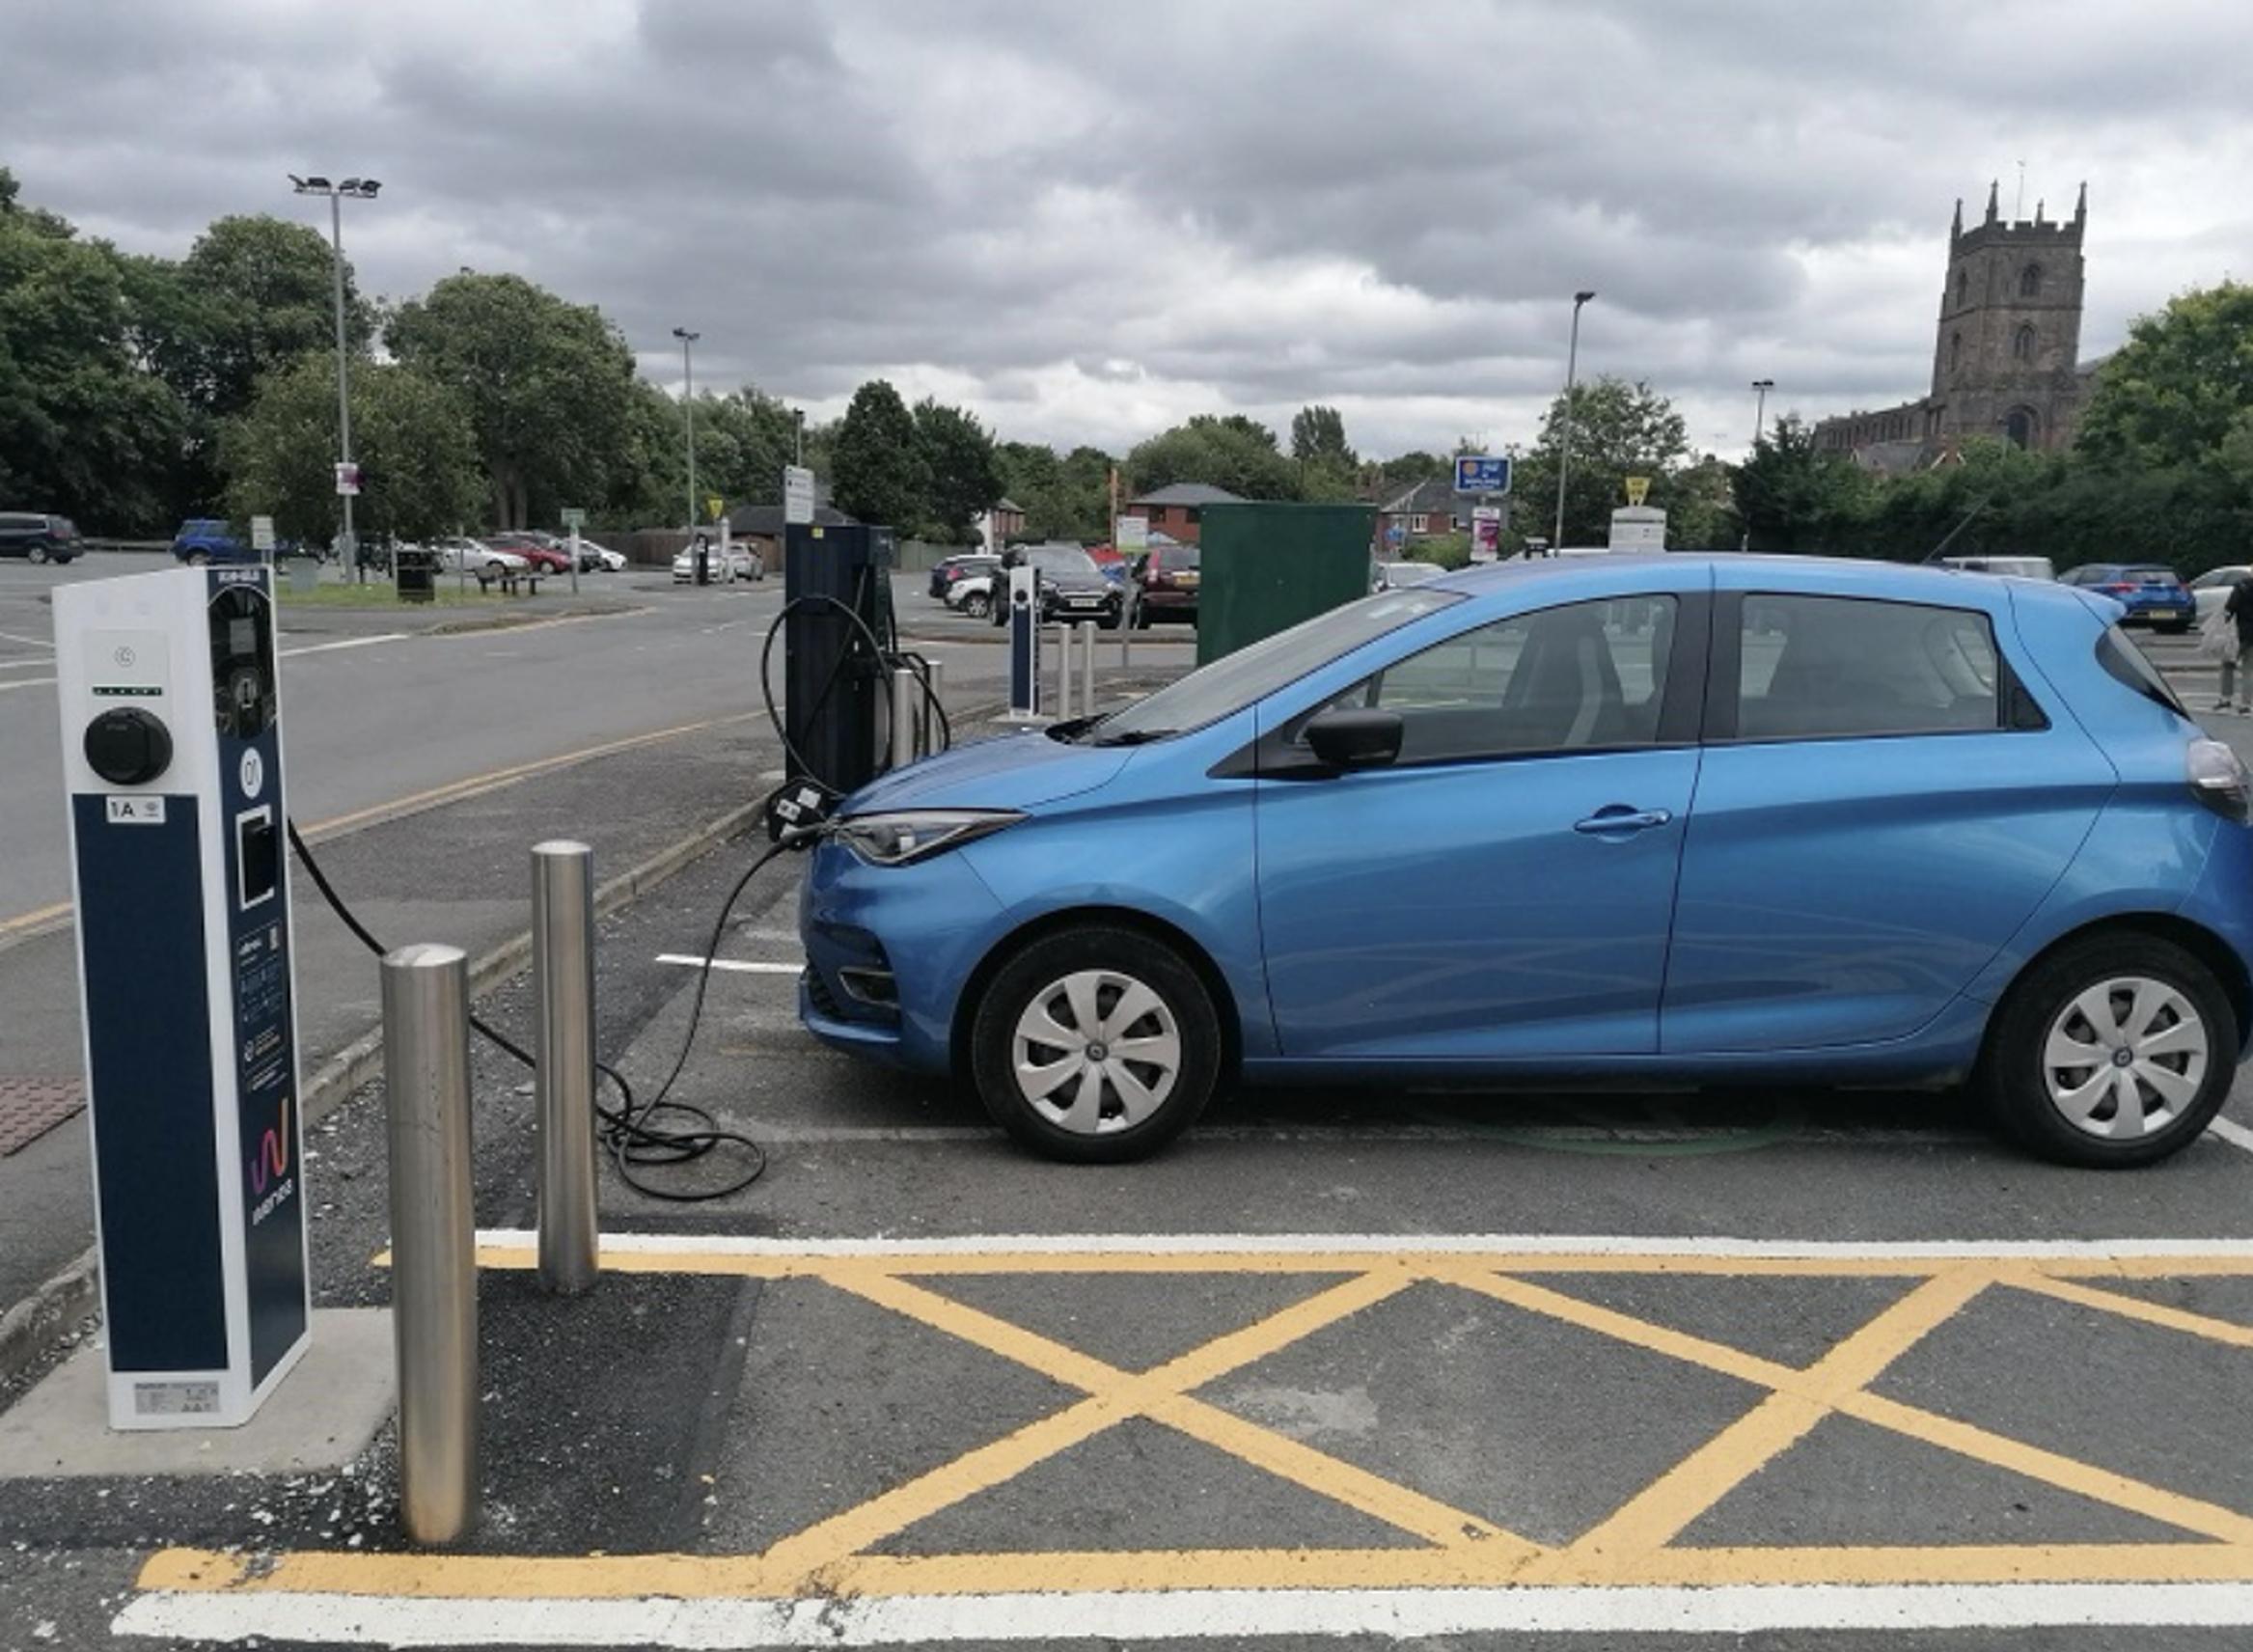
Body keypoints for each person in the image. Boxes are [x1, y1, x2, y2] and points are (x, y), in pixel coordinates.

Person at [2223, 576, 2253, 713]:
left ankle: (2226, 698)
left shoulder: (2241, 587)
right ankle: (2246, 703)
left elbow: (2230, 607)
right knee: (2248, 669)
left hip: (2240, 633)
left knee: (2228, 664)